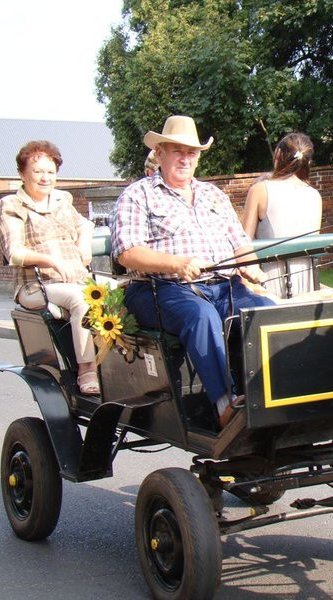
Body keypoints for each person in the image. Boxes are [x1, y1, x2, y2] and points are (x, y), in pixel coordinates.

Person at [111, 115, 275, 428]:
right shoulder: (137, 195)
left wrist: (251, 266)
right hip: (160, 290)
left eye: (192, 153)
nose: (185, 159)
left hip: (224, 287)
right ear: (160, 153)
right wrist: (177, 264)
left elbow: (240, 243)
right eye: (178, 151)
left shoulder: (214, 195)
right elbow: (127, 252)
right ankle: (226, 405)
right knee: (201, 316)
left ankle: (272, 394)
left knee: (265, 311)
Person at [0, 141, 98, 393]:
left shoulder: (62, 200)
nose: (45, 178)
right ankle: (87, 371)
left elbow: (84, 225)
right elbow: (14, 252)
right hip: (36, 285)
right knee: (82, 299)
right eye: (38, 171)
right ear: (22, 173)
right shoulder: (11, 205)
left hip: (77, 278)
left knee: (125, 293)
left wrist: (84, 244)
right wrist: (52, 261)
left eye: (50, 172)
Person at [241, 133, 322, 299]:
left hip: (268, 287)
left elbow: (242, 244)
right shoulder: (315, 195)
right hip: (309, 287)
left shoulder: (260, 190)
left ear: (278, 155)